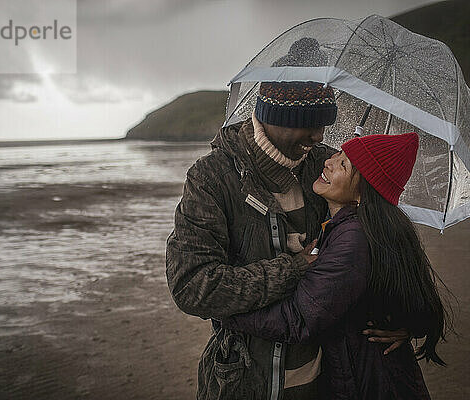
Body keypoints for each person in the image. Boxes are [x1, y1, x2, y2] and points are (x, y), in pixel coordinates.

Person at [166, 38, 411, 399]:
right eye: (307, 124)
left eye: (323, 123)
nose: (319, 136)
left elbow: (379, 245)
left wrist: (406, 317)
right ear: (272, 117)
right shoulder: (212, 178)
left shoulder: (326, 169)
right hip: (244, 382)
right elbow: (192, 287)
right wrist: (293, 269)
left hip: (330, 380)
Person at [222, 132, 453, 399]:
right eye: (338, 154)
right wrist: (409, 324)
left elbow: (298, 319)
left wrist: (225, 310)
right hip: (372, 374)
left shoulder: (353, 239)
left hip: (369, 384)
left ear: (363, 193)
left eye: (344, 165)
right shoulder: (357, 227)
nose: (329, 162)